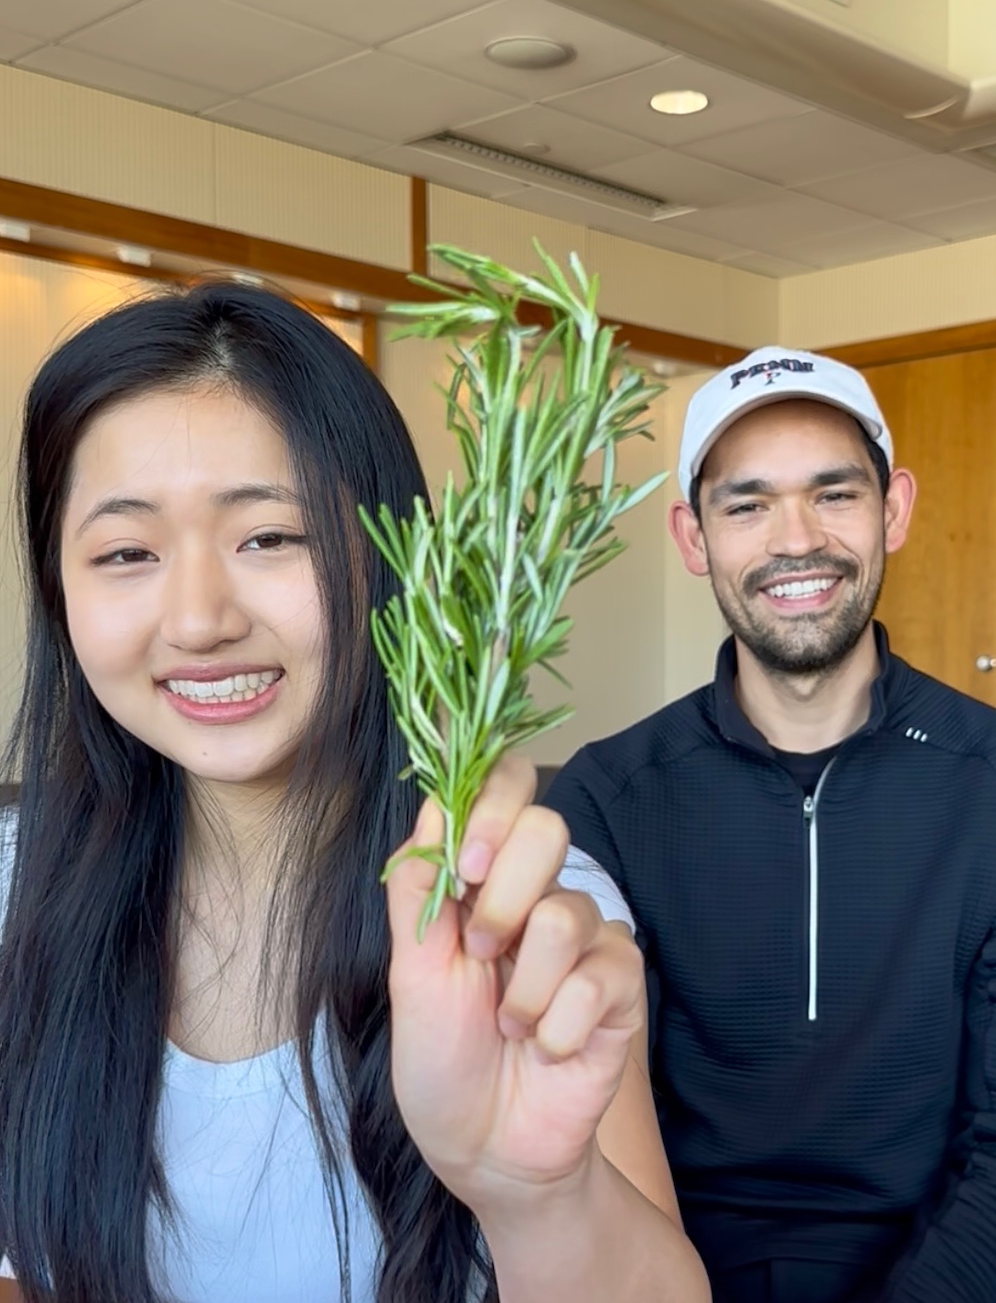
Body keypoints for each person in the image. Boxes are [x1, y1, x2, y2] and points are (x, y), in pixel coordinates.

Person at [0, 282, 710, 1303]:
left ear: (391, 560)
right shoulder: (19, 885)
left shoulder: (509, 910)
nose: (198, 618)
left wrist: (533, 1193)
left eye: (269, 537)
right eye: (126, 553)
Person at [545, 345, 996, 1303]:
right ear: (693, 537)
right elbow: (587, 1138)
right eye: (746, 504)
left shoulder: (987, 782)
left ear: (896, 511)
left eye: (834, 495)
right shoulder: (603, 803)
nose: (796, 539)